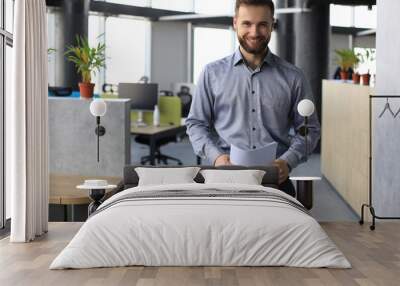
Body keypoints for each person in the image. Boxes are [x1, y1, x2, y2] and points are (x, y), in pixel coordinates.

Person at [185, 0, 320, 196]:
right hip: (224, 176)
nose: (254, 32)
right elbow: (196, 124)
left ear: (272, 25)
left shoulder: (294, 77)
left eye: (262, 24)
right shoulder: (211, 73)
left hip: (275, 180)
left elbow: (310, 130)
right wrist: (217, 158)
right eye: (247, 24)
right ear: (235, 24)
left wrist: (288, 161)